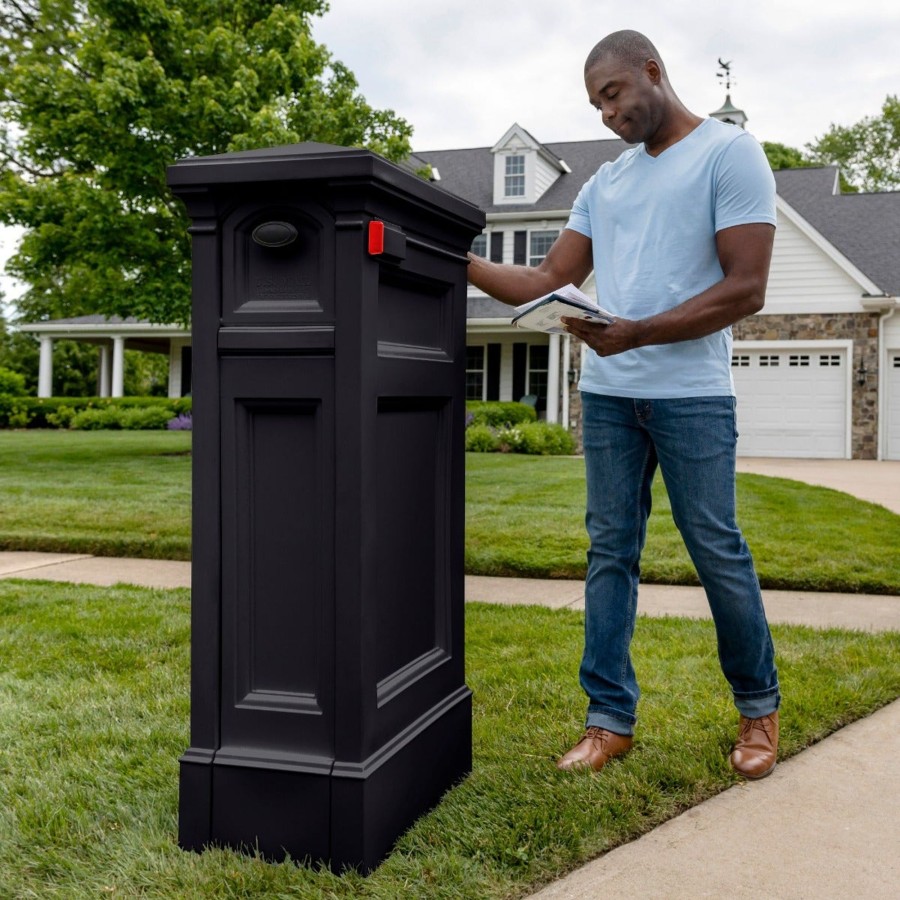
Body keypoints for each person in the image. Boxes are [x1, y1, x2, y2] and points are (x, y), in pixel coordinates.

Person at [466, 30, 781, 779]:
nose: (607, 114)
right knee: (611, 554)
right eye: (595, 104)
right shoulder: (602, 185)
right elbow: (543, 279)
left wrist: (635, 331)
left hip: (691, 397)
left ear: (652, 72)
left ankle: (758, 709)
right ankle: (608, 721)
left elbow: (747, 289)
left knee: (716, 551)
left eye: (613, 95)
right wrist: (454, 256)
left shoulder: (729, 154)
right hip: (609, 398)